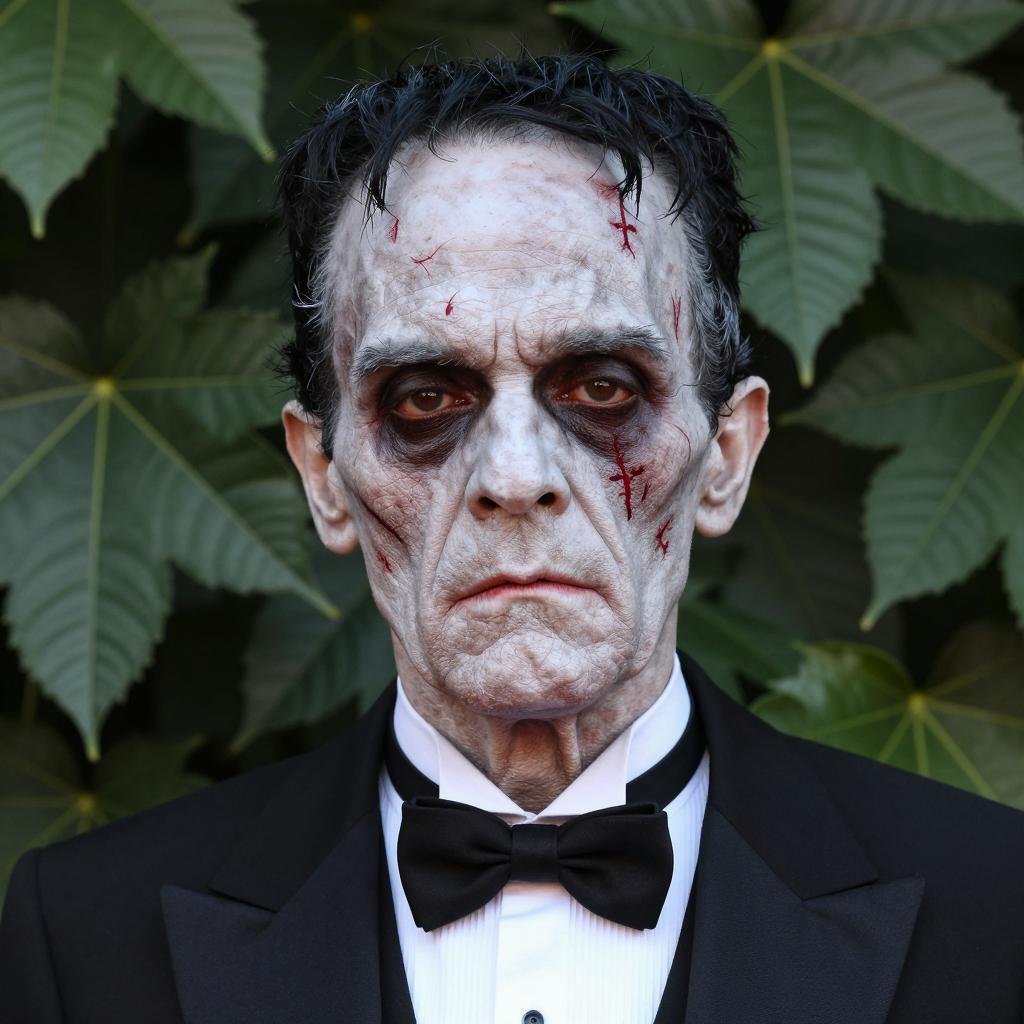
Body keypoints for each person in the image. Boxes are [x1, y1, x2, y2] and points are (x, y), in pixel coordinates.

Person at [2, 53, 1023, 1024]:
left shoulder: (997, 911)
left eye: (602, 388)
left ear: (726, 453)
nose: (515, 476)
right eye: (425, 398)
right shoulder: (88, 938)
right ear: (323, 475)